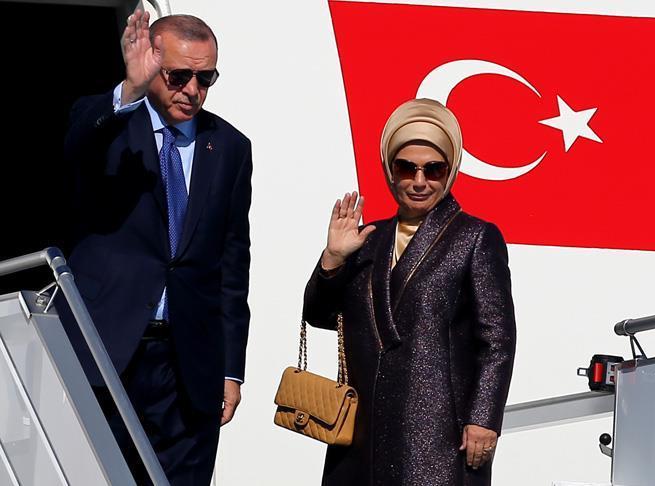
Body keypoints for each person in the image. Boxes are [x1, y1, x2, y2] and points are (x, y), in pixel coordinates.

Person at [60, 10, 251, 484]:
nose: (192, 90)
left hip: (188, 362)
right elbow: (78, 143)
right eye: (179, 76)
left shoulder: (229, 146)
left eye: (205, 78)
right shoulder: (112, 125)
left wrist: (231, 368)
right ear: (153, 65)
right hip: (107, 349)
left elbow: (232, 263)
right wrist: (130, 90)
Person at [303, 99, 516, 485]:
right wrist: (333, 259)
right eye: (406, 168)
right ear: (390, 171)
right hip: (361, 433)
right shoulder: (367, 240)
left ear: (450, 172)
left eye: (434, 169)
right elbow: (319, 316)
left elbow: (497, 340)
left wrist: (484, 418)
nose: (420, 181)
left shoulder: (474, 238)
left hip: (437, 433)